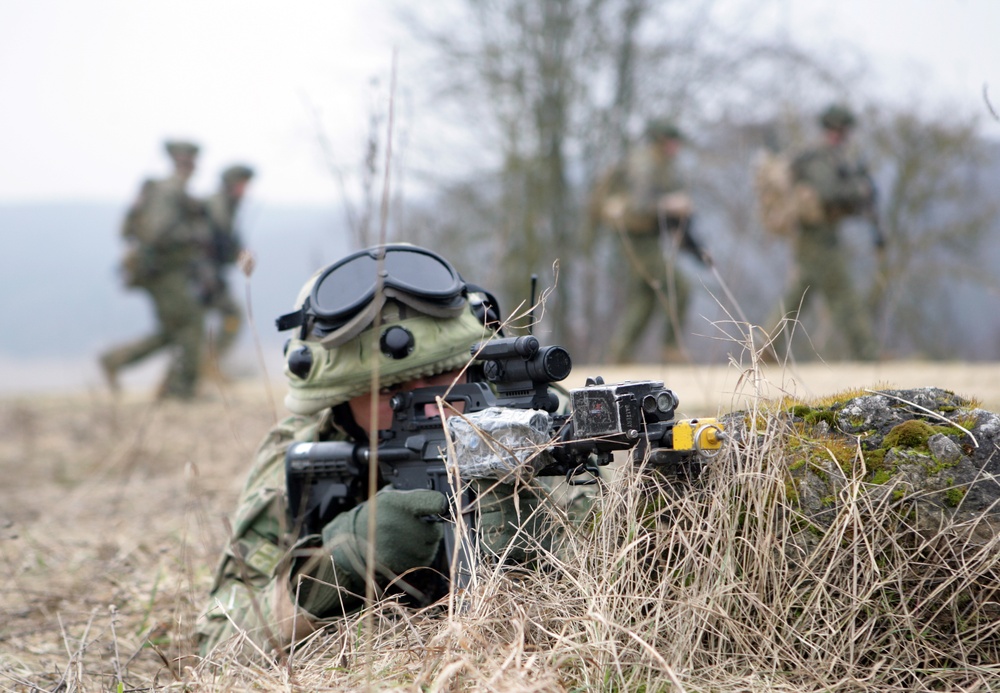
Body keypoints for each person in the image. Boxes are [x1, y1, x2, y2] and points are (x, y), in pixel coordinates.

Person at [195, 244, 551, 657]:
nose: (430, 402)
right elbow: (217, 646)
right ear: (341, 403)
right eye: (389, 390)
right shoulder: (309, 449)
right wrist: (337, 565)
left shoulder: (532, 426)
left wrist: (550, 532)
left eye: (442, 374)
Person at [99, 140, 210, 399]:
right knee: (190, 323)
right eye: (189, 162)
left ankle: (116, 360)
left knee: (173, 330)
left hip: (164, 271)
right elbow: (158, 233)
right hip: (163, 272)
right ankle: (180, 391)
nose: (192, 167)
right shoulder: (169, 191)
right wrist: (193, 235)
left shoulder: (168, 190)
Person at [775, 104, 884, 361]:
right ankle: (867, 351)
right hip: (815, 237)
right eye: (839, 131)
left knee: (799, 296)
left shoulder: (834, 158)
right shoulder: (817, 158)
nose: (841, 136)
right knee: (843, 295)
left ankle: (767, 347)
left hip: (824, 236)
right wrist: (859, 189)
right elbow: (828, 192)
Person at [601, 119, 711, 363]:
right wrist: (669, 203)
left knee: (645, 297)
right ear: (661, 142)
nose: (676, 147)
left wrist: (696, 250)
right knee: (678, 288)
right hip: (638, 239)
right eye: (672, 142)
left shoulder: (663, 165)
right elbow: (639, 206)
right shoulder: (646, 165)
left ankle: (620, 353)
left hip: (648, 238)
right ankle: (671, 348)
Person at [200, 164, 255, 370]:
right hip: (201, 275)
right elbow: (218, 241)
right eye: (242, 185)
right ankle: (205, 368)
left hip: (207, 274)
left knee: (192, 326)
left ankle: (205, 368)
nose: (245, 191)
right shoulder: (217, 205)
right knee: (193, 326)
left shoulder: (226, 206)